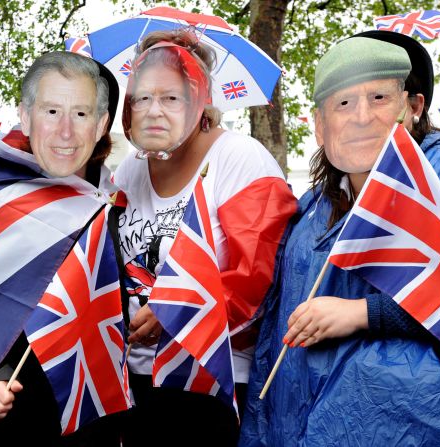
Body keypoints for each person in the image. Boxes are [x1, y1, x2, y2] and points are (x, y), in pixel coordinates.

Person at [240, 33, 440, 446]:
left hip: (408, 426)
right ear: (320, 124)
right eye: (343, 103)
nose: (361, 116)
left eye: (379, 97)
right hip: (296, 423)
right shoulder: (312, 205)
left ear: (412, 107)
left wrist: (363, 313)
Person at [112, 29, 296, 447]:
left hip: (212, 378)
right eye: (143, 97)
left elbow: (259, 276)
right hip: (135, 378)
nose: (154, 110)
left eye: (171, 97)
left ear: (200, 99)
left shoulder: (239, 157)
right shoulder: (130, 170)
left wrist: (174, 313)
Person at [0, 51, 127, 446]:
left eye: (81, 114)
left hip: (87, 414)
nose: (65, 131)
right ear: (26, 117)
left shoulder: (111, 202)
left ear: (100, 125)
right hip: (13, 416)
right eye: (51, 111)